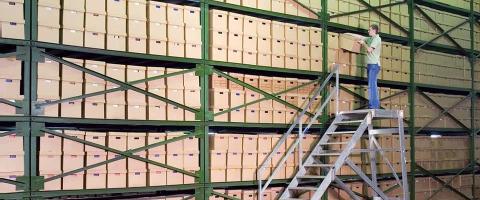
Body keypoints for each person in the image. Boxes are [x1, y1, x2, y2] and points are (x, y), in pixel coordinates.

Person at [358, 24, 382, 109]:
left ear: (374, 30)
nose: (368, 31)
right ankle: (374, 105)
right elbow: (361, 37)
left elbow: (369, 50)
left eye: (369, 30)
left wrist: (363, 43)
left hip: (374, 65)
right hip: (370, 65)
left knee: (372, 85)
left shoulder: (377, 39)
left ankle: (373, 106)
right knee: (372, 85)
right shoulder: (370, 38)